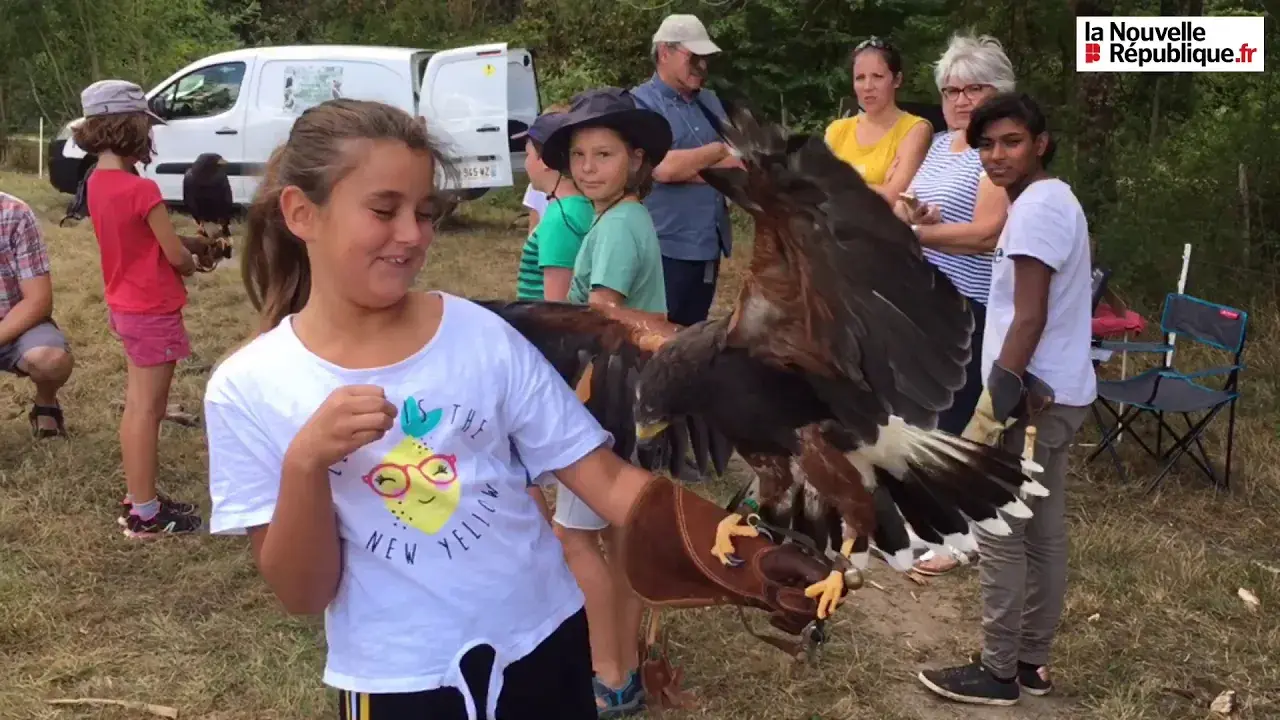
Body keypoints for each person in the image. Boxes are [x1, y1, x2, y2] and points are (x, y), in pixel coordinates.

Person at [917, 92, 1096, 707]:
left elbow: (1029, 316)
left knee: (998, 530)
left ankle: (997, 672)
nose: (997, 155)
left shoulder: (1037, 209)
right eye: (987, 145)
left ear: (1040, 144)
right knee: (1042, 532)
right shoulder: (1050, 198)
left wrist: (993, 408)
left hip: (1030, 402)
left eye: (1011, 142)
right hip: (1058, 393)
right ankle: (1029, 664)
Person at [532, 86, 671, 717]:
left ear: (636, 160)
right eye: (580, 156)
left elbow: (605, 314)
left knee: (574, 536)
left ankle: (610, 675)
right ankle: (628, 665)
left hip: (608, 398)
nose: (588, 168)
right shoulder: (624, 217)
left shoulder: (615, 227)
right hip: (635, 396)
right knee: (621, 533)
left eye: (604, 154)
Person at [893, 34, 1015, 576]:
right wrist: (915, 214)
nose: (961, 100)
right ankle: (925, 516)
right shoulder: (943, 145)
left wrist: (919, 234)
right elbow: (912, 207)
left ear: (999, 91)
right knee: (925, 413)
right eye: (951, 90)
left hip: (974, 303)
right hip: (927, 299)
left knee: (958, 417)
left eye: (973, 88)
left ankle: (959, 536)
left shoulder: (998, 153)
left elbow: (988, 233)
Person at [73, 79, 204, 537]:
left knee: (138, 407)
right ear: (131, 128)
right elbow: (175, 257)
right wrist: (192, 260)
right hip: (152, 310)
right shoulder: (141, 190)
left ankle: (139, 496)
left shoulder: (96, 183)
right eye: (146, 126)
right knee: (147, 411)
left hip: (126, 306)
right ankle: (145, 515)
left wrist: (183, 245)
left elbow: (138, 238)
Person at [631, 13, 740, 328]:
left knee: (693, 334)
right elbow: (662, 168)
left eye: (706, 59)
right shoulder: (641, 103)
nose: (702, 66)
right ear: (665, 52)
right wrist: (716, 151)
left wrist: (688, 166)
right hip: (664, 247)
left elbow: (738, 162)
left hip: (709, 244)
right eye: (694, 57)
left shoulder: (710, 101)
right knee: (656, 335)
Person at [1, 192, 75, 437]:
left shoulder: (15, 213)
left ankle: (46, 402)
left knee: (50, 361)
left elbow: (38, 300)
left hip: (16, 322)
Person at [824, 37, 932, 205]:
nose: (868, 86)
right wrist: (877, 187)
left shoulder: (915, 129)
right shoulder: (837, 130)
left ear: (897, 80)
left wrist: (837, 182)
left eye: (877, 76)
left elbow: (893, 197)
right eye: (860, 78)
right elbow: (814, 188)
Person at [512, 105, 592, 303]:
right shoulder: (581, 206)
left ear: (546, 161)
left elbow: (557, 307)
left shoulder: (559, 221)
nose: (526, 164)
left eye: (528, 155)